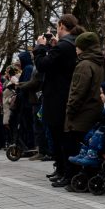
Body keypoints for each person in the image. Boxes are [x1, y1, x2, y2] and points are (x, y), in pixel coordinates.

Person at [35, 15, 82, 184]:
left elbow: (42, 65)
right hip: (65, 94)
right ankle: (62, 169)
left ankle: (66, 172)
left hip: (57, 96)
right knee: (63, 136)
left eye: (57, 27)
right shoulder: (73, 43)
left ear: (62, 26)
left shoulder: (64, 45)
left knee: (59, 136)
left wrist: (40, 47)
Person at [61, 32, 105, 188]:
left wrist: (70, 110)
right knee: (89, 148)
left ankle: (75, 178)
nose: (75, 49)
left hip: (81, 113)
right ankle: (89, 176)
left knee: (74, 147)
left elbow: (77, 91)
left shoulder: (84, 65)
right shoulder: (99, 62)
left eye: (78, 47)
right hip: (94, 109)